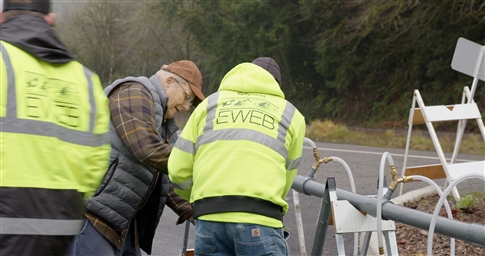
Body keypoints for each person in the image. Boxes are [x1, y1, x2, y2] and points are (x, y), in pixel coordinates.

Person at [0, 0, 111, 255]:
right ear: (50, 19)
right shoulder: (85, 78)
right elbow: (97, 160)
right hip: (59, 228)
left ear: (2, 17)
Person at [168, 57, 306, 256]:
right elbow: (287, 176)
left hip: (209, 219)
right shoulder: (291, 114)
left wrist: (202, 197)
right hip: (261, 219)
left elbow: (177, 170)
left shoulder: (208, 105)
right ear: (275, 84)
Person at [66, 60, 205, 256]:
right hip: (93, 216)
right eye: (187, 97)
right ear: (169, 81)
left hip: (123, 225)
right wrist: (206, 164)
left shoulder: (165, 123)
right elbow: (147, 149)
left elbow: (169, 178)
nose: (186, 107)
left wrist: (200, 210)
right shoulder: (134, 92)